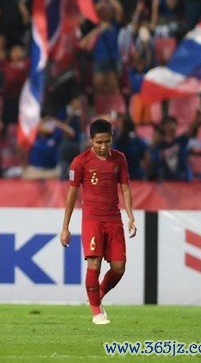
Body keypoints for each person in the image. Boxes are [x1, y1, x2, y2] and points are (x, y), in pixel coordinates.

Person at [60, 119, 137, 325]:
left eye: (107, 142)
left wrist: (131, 216)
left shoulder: (119, 159)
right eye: (99, 142)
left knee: (119, 267)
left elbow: (126, 189)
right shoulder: (80, 161)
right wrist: (65, 227)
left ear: (112, 139)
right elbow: (71, 195)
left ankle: (98, 293)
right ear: (91, 140)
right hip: (92, 219)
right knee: (94, 263)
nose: (103, 147)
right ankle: (96, 312)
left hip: (114, 219)